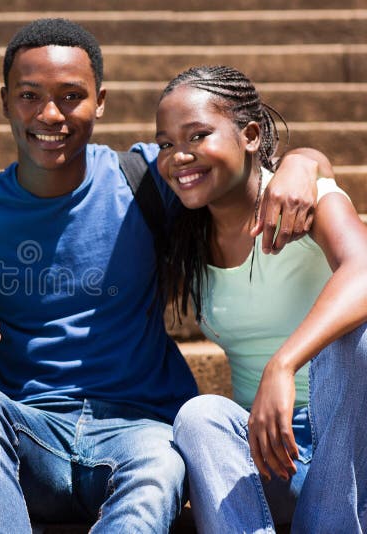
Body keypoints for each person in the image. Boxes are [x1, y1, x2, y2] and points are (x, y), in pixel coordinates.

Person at [0, 18, 331, 532]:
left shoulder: (145, 177)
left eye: (71, 95)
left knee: (162, 463)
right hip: (30, 431)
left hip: (141, 426)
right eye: (29, 95)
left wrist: (304, 161)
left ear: (100, 101)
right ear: (4, 100)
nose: (49, 113)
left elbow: (240, 168)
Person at [158, 65, 367, 533]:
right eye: (166, 144)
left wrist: (284, 363)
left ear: (250, 134)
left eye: (197, 135)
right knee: (200, 414)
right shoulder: (186, 228)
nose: (179, 156)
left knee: (360, 338)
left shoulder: (303, 197)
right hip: (272, 452)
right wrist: (307, 157)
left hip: (349, 446)